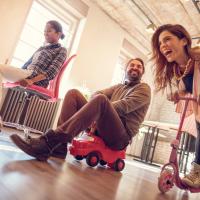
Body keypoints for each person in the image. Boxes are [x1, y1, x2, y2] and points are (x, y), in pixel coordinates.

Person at [10, 58, 151, 162]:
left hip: (120, 137)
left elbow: (123, 106)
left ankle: (49, 141)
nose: (135, 67)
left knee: (101, 100)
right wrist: (94, 112)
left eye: (139, 66)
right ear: (126, 69)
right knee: (73, 94)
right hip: (103, 127)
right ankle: (59, 148)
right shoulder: (120, 86)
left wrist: (99, 111)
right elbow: (97, 93)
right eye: (132, 65)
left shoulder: (143, 89)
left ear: (142, 72)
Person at [151, 24, 200, 188]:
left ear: (184, 41)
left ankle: (197, 172)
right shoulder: (178, 70)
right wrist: (176, 95)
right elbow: (185, 88)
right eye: (160, 43)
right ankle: (197, 172)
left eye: (167, 39)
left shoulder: (198, 55)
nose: (162, 45)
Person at [0, 20, 67, 129]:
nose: (45, 33)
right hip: (26, 73)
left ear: (58, 34)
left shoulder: (61, 50)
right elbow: (27, 64)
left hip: (36, 78)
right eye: (45, 31)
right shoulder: (41, 48)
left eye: (49, 31)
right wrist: (15, 75)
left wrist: (31, 80)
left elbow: (52, 72)